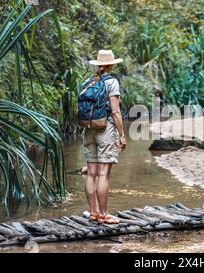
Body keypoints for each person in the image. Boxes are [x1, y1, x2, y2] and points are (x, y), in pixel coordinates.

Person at [83, 49, 126, 224]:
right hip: (105, 128)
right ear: (111, 64)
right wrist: (122, 135)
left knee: (91, 174)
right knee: (103, 175)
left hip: (88, 129)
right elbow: (115, 112)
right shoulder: (112, 82)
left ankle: (93, 212)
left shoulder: (88, 81)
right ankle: (104, 214)